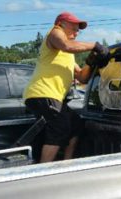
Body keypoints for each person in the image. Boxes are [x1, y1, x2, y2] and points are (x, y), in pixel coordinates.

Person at [23, 11, 109, 163]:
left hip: (52, 97)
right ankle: (42, 172)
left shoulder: (68, 56)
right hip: (42, 93)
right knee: (60, 127)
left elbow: (82, 77)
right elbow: (66, 45)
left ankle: (66, 164)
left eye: (78, 30)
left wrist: (90, 62)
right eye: (74, 28)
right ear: (61, 23)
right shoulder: (54, 33)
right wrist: (94, 45)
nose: (77, 32)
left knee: (76, 125)